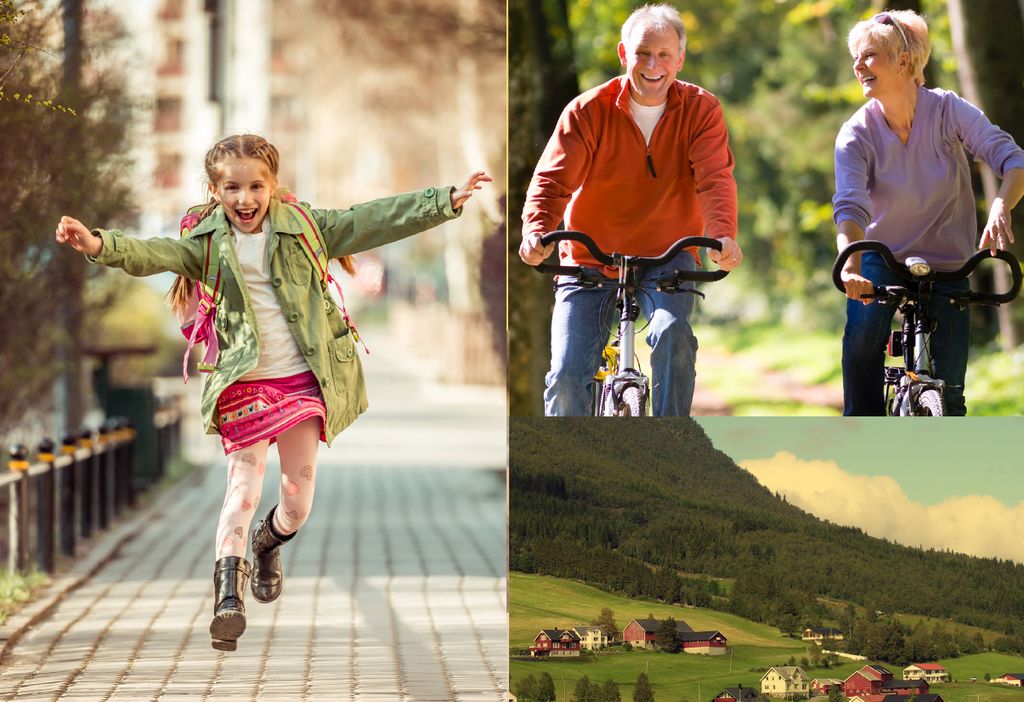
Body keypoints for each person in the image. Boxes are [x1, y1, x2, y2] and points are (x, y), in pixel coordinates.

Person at [55, 134, 490, 651]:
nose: (245, 199)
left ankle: (267, 544)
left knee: (297, 503)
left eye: (256, 186)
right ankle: (227, 600)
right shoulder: (206, 242)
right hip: (244, 383)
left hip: (303, 380)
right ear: (215, 191)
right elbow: (152, 253)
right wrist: (100, 244)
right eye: (232, 188)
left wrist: (443, 202)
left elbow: (371, 219)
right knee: (242, 489)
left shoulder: (305, 227)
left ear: (273, 185)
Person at [518, 3, 742, 417]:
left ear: (679, 59)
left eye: (663, 55)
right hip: (590, 257)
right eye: (642, 53)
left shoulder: (700, 109)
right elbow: (552, 182)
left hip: (668, 256)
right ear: (624, 54)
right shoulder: (588, 111)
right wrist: (537, 230)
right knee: (567, 376)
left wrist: (722, 233)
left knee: (673, 334)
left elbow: (715, 178)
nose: (652, 65)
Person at [833, 9, 1024, 416]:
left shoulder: (948, 111)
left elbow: (1013, 160)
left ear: (903, 62)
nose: (857, 65)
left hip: (949, 263)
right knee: (864, 337)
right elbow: (850, 204)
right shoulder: (856, 132)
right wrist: (850, 262)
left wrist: (1000, 205)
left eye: (869, 55)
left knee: (951, 396)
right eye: (856, 57)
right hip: (884, 259)